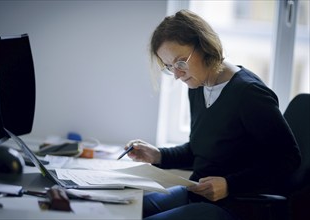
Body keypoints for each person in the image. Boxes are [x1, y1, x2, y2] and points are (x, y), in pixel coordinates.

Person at [124, 9, 301, 220]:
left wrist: (229, 185)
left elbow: (288, 159)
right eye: (169, 66)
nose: (176, 75)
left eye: (181, 62)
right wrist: (158, 155)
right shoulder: (198, 85)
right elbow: (200, 150)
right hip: (199, 194)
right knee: (127, 209)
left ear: (205, 46)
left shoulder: (249, 94)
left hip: (235, 205)